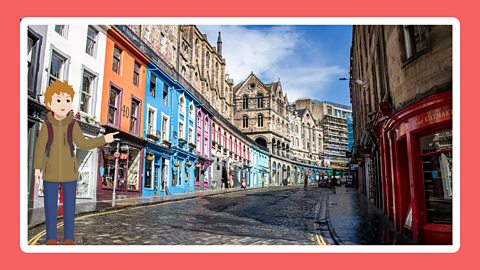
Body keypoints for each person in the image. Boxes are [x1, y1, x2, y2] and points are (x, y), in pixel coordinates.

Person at [34, 81, 118, 245]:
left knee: (69, 208)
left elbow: (84, 144)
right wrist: (37, 167)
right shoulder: (47, 125)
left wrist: (103, 139)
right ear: (50, 103)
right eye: (59, 100)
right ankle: (51, 237)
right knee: (50, 206)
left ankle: (69, 237)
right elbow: (40, 147)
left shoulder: (73, 125)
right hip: (50, 171)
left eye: (67, 100)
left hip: (69, 173)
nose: (63, 104)